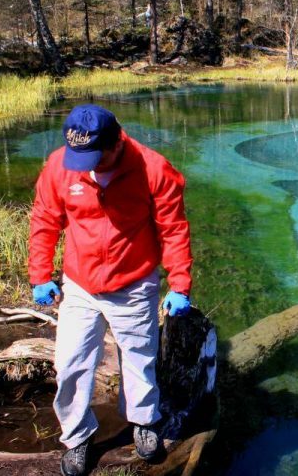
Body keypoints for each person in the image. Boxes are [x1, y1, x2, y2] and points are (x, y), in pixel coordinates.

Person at [28, 104, 193, 476]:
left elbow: (174, 229)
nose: (84, 165)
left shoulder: (153, 169)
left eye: (92, 156)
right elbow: (44, 220)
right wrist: (40, 276)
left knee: (138, 358)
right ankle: (76, 437)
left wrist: (179, 282)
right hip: (80, 284)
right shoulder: (60, 165)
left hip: (134, 284)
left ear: (117, 142)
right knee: (70, 364)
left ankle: (144, 422)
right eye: (77, 156)